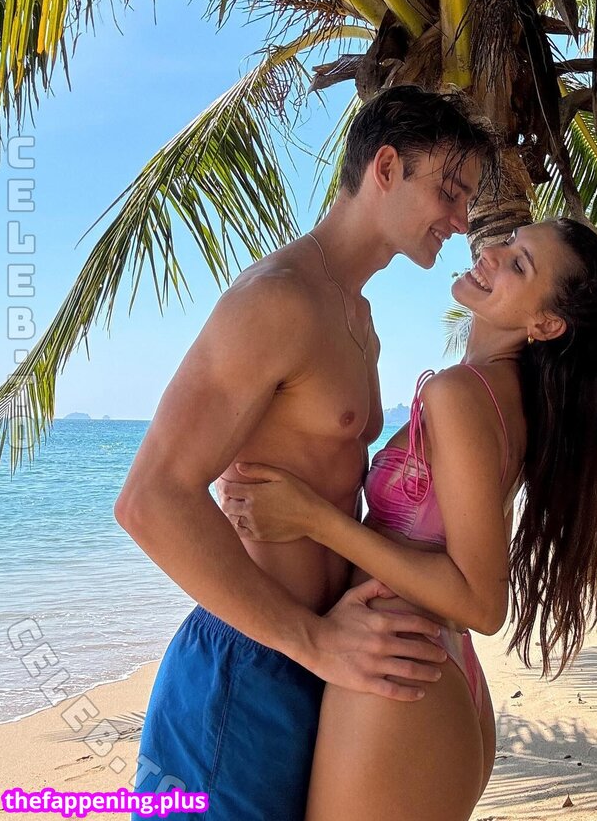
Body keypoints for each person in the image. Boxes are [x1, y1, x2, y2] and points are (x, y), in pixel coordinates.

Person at [114, 85, 498, 821]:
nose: (461, 220)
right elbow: (149, 500)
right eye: (450, 192)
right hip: (245, 669)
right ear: (385, 167)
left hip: (316, 659)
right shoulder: (277, 299)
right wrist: (315, 642)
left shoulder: (359, 318)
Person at [219, 221, 597, 821]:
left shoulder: (463, 393)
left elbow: (482, 603)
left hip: (399, 672)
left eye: (520, 264)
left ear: (546, 325)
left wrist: (311, 518)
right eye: (510, 243)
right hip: (425, 666)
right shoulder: (507, 398)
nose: (492, 253)